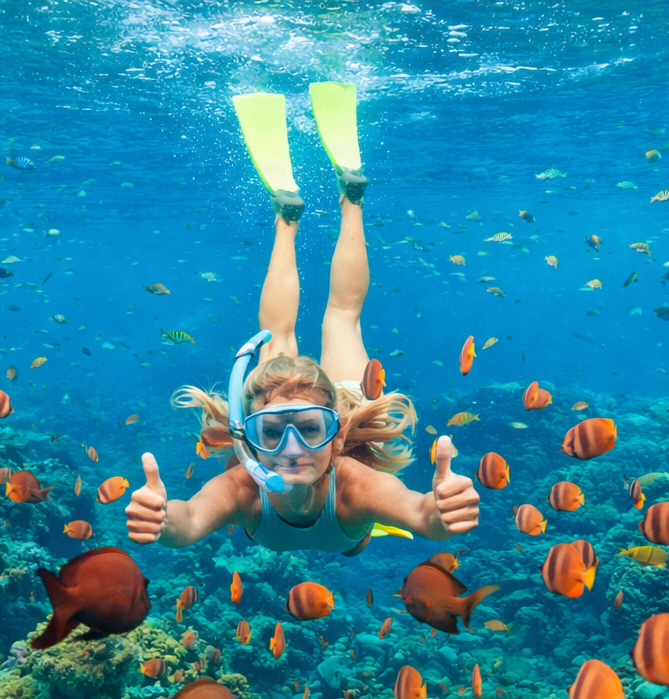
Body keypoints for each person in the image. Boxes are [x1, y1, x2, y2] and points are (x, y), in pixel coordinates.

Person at [126, 84, 479, 554]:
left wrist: (440, 513)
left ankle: (292, 216)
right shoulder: (245, 488)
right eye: (272, 432)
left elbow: (422, 515)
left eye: (309, 429)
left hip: (334, 405)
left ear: (336, 441)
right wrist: (162, 518)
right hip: (345, 395)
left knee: (318, 325)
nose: (290, 447)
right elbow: (185, 523)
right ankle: (342, 202)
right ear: (248, 442)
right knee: (343, 317)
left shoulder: (351, 485)